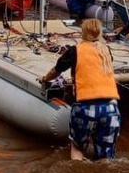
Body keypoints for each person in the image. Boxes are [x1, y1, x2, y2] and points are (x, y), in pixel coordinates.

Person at [38, 18, 121, 161]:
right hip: (110, 108)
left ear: (82, 33)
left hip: (85, 106)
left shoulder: (75, 51)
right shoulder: (106, 50)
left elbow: (56, 71)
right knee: (106, 156)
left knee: (77, 148)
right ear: (100, 33)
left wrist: (45, 79)